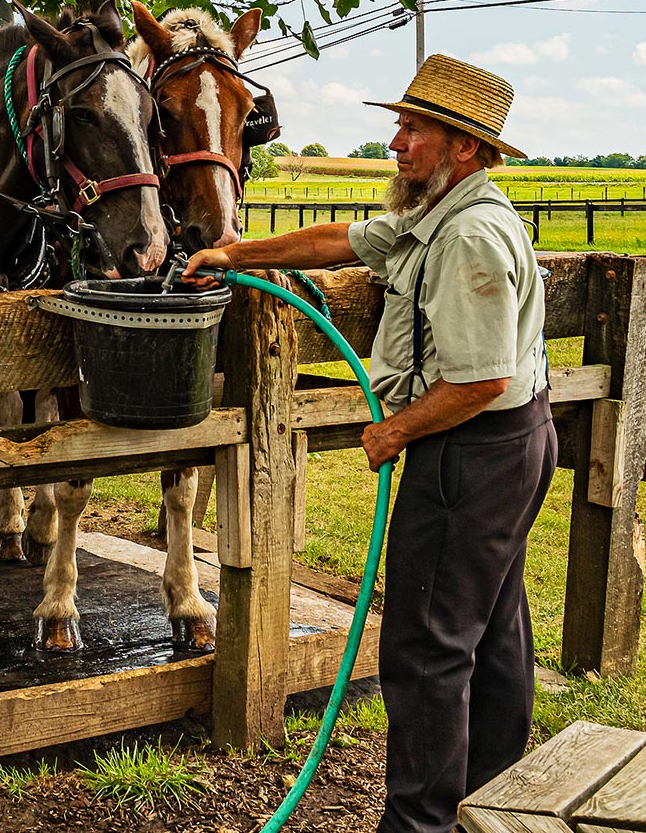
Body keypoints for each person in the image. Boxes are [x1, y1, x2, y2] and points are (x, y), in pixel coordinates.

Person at [183, 54, 553, 833]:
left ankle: (418, 823)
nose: (395, 140)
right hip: (509, 443)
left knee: (426, 647)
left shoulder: (471, 238)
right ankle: (494, 805)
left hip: (472, 449)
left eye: (414, 129)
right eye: (401, 123)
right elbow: (336, 241)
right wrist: (233, 253)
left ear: (465, 148)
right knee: (492, 629)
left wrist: (394, 430)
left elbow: (479, 381)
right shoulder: (435, 216)